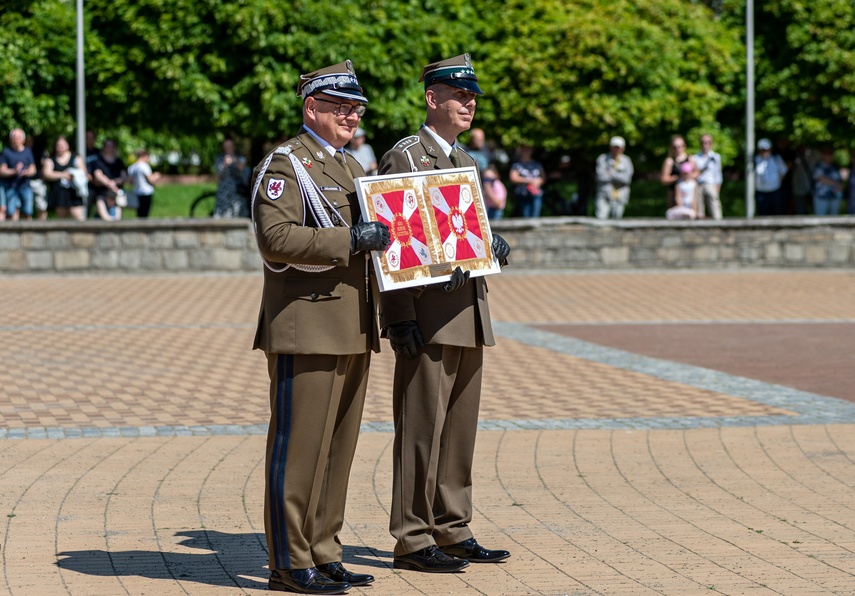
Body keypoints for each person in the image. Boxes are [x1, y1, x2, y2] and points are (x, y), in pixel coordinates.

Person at [251, 60, 390, 595]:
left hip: (351, 324)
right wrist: (347, 242)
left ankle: (324, 550)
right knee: (299, 447)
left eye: (356, 108)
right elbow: (276, 238)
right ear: (313, 108)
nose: (353, 115)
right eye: (342, 106)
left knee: (337, 449)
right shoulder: (288, 164)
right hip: (306, 324)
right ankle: (288, 561)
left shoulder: (352, 168)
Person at [377, 53, 512, 574]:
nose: (469, 103)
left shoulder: (465, 160)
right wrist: (398, 318)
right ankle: (412, 537)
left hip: (468, 309)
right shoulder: (406, 158)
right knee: (421, 428)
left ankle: (452, 526)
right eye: (460, 95)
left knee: (458, 428)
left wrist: (488, 243)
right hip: (427, 315)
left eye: (472, 96)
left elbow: (459, 230)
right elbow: (392, 243)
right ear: (432, 99)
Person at [42, 136, 88, 221]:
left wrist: (73, 174)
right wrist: (63, 175)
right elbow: (47, 174)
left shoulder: (75, 157)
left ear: (68, 145)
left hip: (74, 192)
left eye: (63, 145)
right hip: (59, 193)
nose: (61, 148)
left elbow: (83, 171)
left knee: (78, 218)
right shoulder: (51, 159)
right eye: (58, 145)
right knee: (61, 220)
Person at [0, 128, 37, 221]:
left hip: (25, 186)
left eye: (18, 137)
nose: (16, 139)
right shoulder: (6, 152)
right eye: (14, 137)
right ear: (11, 139)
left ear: (23, 139)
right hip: (11, 187)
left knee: (27, 212)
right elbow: (2, 171)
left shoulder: (28, 151)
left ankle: (29, 234)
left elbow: (33, 169)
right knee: (12, 212)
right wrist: (14, 171)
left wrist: (27, 172)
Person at [594, 136, 634, 219]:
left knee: (617, 220)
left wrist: (611, 173)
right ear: (610, 147)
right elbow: (601, 177)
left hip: (620, 195)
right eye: (614, 147)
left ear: (623, 148)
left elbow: (626, 179)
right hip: (604, 194)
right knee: (601, 218)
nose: (616, 150)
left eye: (618, 147)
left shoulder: (627, 161)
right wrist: (618, 175)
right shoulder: (602, 159)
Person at [213, 138, 250, 217]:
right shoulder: (220, 158)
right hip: (224, 194)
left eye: (230, 146)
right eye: (226, 146)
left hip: (237, 193)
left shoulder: (240, 158)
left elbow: (245, 175)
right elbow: (217, 175)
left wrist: (239, 165)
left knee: (238, 215)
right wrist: (224, 165)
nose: (228, 148)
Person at [91, 139, 127, 217]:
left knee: (118, 206)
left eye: (111, 146)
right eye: (107, 146)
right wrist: (110, 183)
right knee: (100, 203)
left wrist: (117, 182)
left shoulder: (119, 161)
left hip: (116, 191)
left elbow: (123, 175)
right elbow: (98, 175)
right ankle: (107, 220)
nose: (109, 148)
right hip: (103, 191)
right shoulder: (99, 161)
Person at [509, 144, 545, 217]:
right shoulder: (517, 165)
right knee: (526, 215)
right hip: (523, 194)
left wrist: (537, 182)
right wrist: (530, 181)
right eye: (524, 150)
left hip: (536, 193)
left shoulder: (536, 164)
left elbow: (543, 177)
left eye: (528, 149)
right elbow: (513, 178)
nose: (526, 152)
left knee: (536, 214)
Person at [754, 138, 788, 216]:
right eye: (763, 150)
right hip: (761, 192)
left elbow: (783, 171)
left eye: (767, 150)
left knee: (776, 212)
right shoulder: (755, 160)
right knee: (762, 213)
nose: (765, 152)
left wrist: (777, 182)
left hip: (775, 191)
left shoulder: (776, 158)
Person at [660, 134, 695, 208]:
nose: (677, 149)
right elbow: (663, 179)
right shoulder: (669, 161)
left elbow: (697, 173)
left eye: (679, 146)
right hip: (674, 193)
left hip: (689, 192)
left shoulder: (690, 159)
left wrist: (688, 177)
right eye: (674, 147)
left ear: (684, 146)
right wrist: (678, 177)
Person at [694, 134, 723, 220]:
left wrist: (718, 186)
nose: (705, 145)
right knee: (699, 208)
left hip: (711, 184)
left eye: (707, 143)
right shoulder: (695, 157)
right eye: (703, 143)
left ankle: (718, 224)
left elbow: (718, 173)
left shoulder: (715, 157)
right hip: (699, 184)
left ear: (711, 144)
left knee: (715, 206)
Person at [127, 150, 161, 218]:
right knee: (145, 214)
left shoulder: (132, 167)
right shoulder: (144, 166)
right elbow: (150, 179)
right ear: (145, 156)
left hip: (137, 191)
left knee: (139, 213)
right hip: (146, 192)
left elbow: (130, 181)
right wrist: (157, 175)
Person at [811, 147, 843, 216]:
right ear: (822, 154)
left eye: (830, 154)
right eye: (826, 153)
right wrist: (835, 184)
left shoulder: (835, 166)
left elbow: (840, 180)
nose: (828, 156)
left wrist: (839, 186)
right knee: (820, 219)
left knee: (834, 220)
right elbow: (821, 178)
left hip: (834, 197)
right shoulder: (818, 165)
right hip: (821, 197)